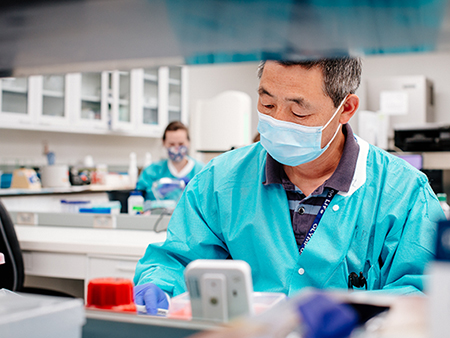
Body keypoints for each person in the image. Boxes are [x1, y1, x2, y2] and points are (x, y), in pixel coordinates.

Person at [134, 58, 445, 315]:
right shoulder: (219, 181)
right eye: (267, 104)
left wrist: (358, 313)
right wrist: (158, 284)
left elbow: (425, 288)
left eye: (299, 111)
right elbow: (177, 260)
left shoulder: (403, 193)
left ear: (346, 109)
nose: (278, 121)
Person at [136, 121, 204, 200]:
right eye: (172, 144)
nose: (176, 149)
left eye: (181, 144)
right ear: (164, 143)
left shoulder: (201, 171)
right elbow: (137, 201)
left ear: (188, 142)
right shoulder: (151, 171)